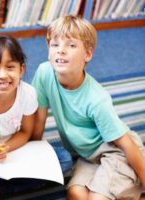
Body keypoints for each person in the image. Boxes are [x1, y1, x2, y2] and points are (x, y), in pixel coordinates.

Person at [32, 15, 145, 200]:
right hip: (87, 156)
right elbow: (39, 118)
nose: (61, 50)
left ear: (88, 54)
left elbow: (126, 144)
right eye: (55, 44)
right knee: (76, 194)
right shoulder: (44, 73)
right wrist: (30, 152)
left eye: (71, 45)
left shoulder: (97, 99)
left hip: (116, 151)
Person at [0, 35, 72, 200]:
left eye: (10, 67)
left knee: (64, 160)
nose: (2, 75)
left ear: (21, 70)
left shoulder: (28, 93)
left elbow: (25, 132)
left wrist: (6, 148)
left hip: (14, 150)